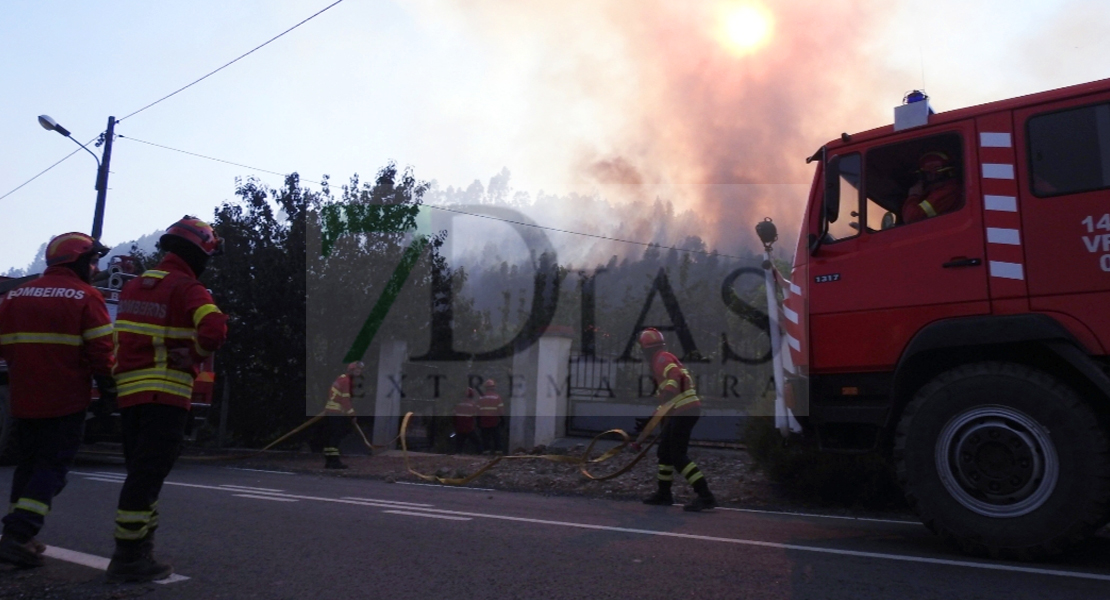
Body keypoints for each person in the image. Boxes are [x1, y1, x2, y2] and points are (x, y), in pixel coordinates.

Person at [106, 217, 227, 582]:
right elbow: (215, 328)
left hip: (130, 397)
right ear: (197, 253)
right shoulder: (188, 288)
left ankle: (141, 548)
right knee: (148, 477)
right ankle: (128, 557)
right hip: (167, 395)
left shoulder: (134, 288)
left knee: (141, 475)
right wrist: (194, 354)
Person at [0, 233, 114, 567]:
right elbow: (101, 351)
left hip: (22, 399)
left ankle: (18, 535)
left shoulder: (15, 296)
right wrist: (108, 389)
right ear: (76, 261)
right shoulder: (85, 296)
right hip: (65, 399)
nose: (94, 268)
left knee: (29, 464)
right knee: (52, 469)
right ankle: (19, 534)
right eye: (92, 261)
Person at [638, 328, 717, 512]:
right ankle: (664, 494)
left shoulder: (661, 358)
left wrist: (668, 393)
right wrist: (651, 421)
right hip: (681, 410)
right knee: (664, 452)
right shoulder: (660, 359)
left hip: (685, 411)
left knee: (677, 455)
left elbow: (676, 377)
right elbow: (666, 401)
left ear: (645, 349)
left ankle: (706, 496)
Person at [901, 150, 962, 224]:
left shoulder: (947, 192)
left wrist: (913, 196)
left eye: (925, 175)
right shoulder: (943, 191)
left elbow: (911, 218)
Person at [323, 362, 362, 469]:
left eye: (360, 370)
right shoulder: (346, 381)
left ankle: (329, 460)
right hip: (336, 412)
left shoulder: (341, 378)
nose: (359, 372)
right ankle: (334, 462)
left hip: (331, 411)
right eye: (357, 370)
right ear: (351, 371)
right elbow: (345, 400)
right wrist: (352, 415)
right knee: (337, 436)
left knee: (332, 436)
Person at [476, 379, 504, 455]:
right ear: (494, 387)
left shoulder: (481, 397)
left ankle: (486, 452)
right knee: (496, 437)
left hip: (484, 421)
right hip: (494, 421)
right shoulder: (497, 397)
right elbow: (500, 410)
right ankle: (498, 452)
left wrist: (478, 421)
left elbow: (478, 410)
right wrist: (502, 420)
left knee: (485, 438)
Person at [452, 388, 481, 454]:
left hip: (460, 428)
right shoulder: (473, 405)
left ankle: (458, 453)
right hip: (469, 428)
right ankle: (480, 453)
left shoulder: (459, 404)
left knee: (459, 444)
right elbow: (476, 416)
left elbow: (454, 416)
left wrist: (455, 426)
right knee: (477, 442)